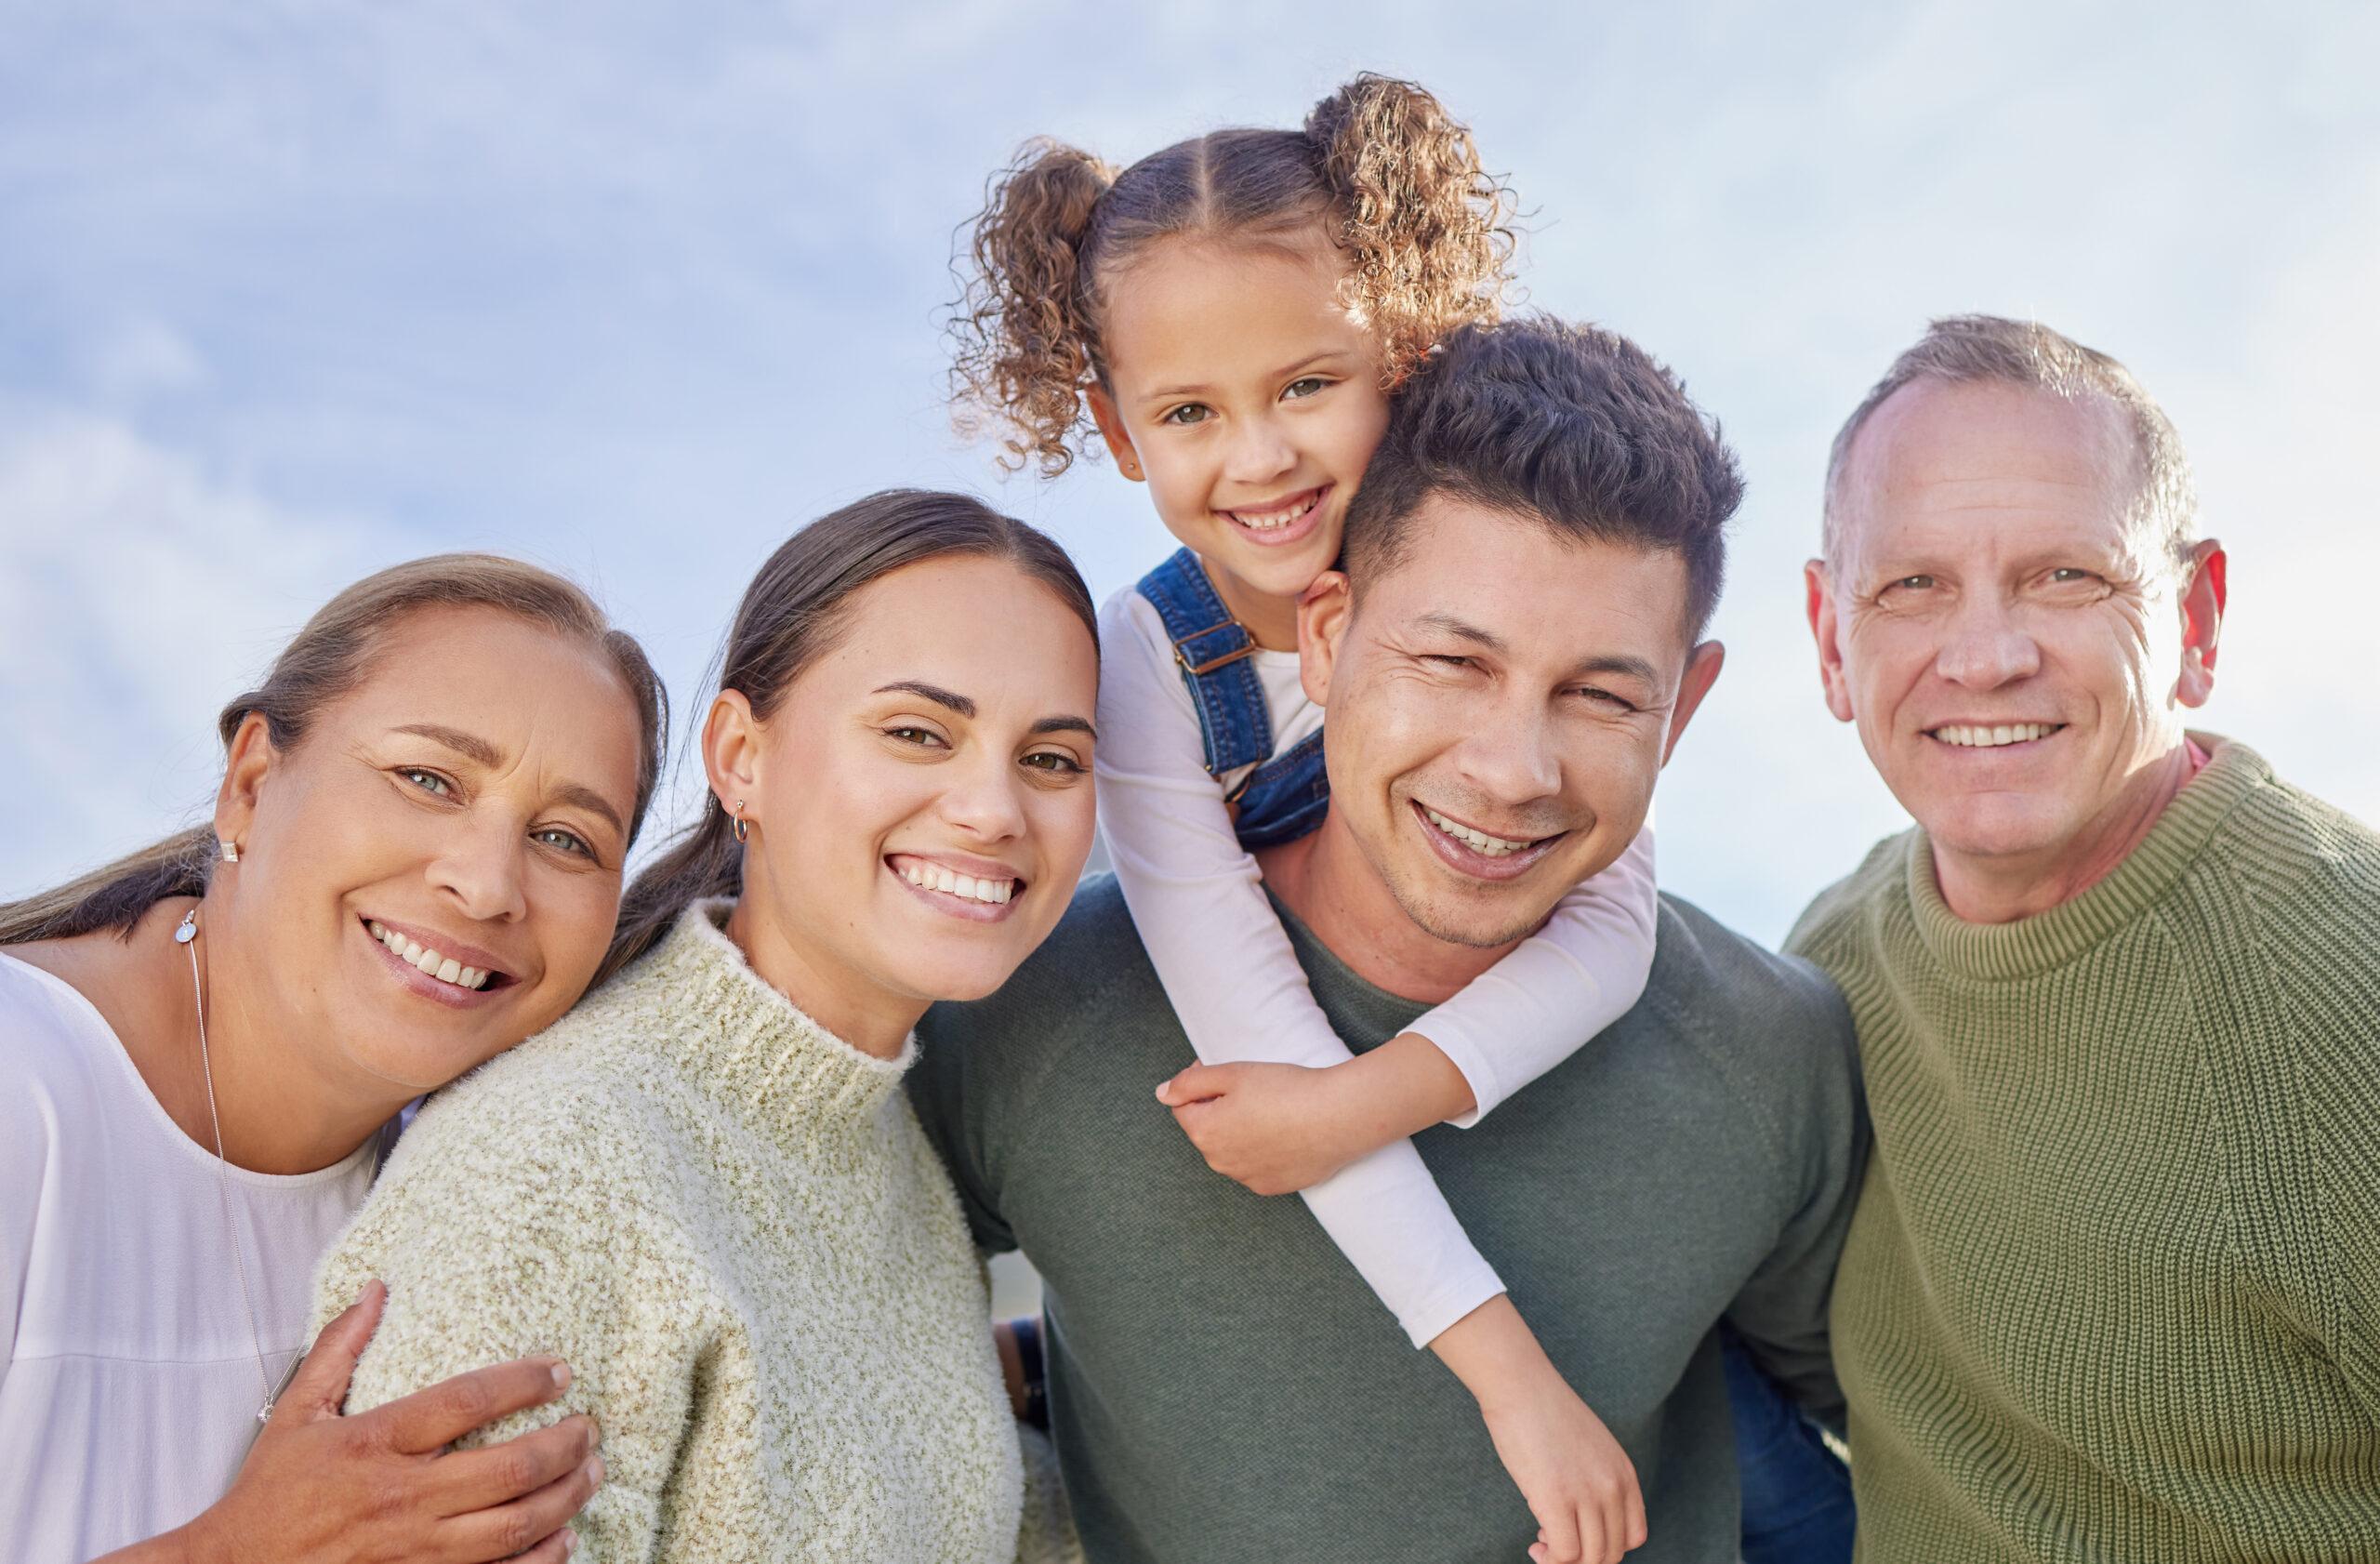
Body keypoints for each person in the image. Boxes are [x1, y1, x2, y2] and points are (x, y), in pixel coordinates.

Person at [912, 317, 1867, 1564]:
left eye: (1602, 694)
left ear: (1682, 707)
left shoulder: (1773, 1053)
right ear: (1324, 635)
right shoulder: (1033, 1013)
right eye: (1450, 660)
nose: (1512, 771)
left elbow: (1915, 1438)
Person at [949, 73, 1712, 1559]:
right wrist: (1511, 1377)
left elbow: (1618, 923)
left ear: (1406, 354)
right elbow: (1254, 1036)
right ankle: (1049, 1359)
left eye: (1308, 384)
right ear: (1115, 429)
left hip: (1412, 1087)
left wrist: (1378, 1097)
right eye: (1188, 412)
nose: (1261, 457)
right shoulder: (1148, 668)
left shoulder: (1511, 598)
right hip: (1226, 1092)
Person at [310, 491, 1099, 1562]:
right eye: (919, 732)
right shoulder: (558, 1164)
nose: (995, 807)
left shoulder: (889, 1156)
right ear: (740, 757)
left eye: (1051, 757)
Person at [1788, 313, 2380, 1557]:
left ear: (2198, 623)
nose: (1988, 655)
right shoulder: (1830, 968)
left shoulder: (2348, 980)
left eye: (2068, 575)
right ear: (1832, 640)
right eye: (1913, 585)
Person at [0, 555, 668, 1564]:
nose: (488, 885)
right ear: (253, 783)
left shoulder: (484, 1207)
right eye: (428, 778)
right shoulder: (22, 1088)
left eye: (566, 838)